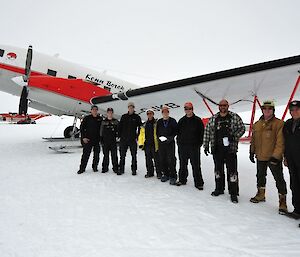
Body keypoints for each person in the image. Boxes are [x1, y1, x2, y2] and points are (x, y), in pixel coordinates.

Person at [203, 99, 245, 203]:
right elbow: (207, 131)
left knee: (232, 172)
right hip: (217, 149)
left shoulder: (234, 117)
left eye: (224, 105)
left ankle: (233, 193)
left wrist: (234, 136)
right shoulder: (214, 119)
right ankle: (219, 189)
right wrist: (206, 145)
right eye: (221, 105)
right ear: (218, 106)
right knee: (218, 170)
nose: (223, 107)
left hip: (230, 149)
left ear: (228, 106)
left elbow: (242, 128)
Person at [249, 100, 287, 214]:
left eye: (269, 108)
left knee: (279, 179)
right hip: (260, 156)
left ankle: (282, 200)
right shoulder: (257, 124)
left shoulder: (279, 124)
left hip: (273, 158)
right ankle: (261, 194)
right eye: (264, 108)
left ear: (273, 110)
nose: (267, 110)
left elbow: (281, 142)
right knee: (260, 176)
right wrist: (252, 151)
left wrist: (276, 156)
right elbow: (254, 139)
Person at [176, 102, 205, 190]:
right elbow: (178, 133)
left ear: (192, 109)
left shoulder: (198, 120)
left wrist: (198, 144)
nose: (187, 110)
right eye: (186, 108)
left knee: (196, 165)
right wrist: (179, 143)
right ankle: (182, 179)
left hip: (194, 147)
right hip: (183, 147)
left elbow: (201, 134)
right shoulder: (181, 120)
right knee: (183, 164)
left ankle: (199, 183)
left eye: (189, 108)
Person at [283, 100, 300, 221]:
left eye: (297, 109)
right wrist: (285, 157)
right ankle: (297, 210)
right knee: (294, 184)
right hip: (292, 159)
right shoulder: (288, 124)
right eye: (292, 110)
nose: (294, 112)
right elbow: (286, 142)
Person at [118, 102, 142, 175]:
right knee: (122, 155)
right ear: (128, 108)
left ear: (134, 108)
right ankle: (121, 169)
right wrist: (119, 136)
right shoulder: (124, 116)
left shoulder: (137, 117)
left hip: (132, 139)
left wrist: (138, 137)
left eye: (132, 107)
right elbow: (120, 127)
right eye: (129, 107)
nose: (131, 108)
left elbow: (140, 128)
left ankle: (134, 169)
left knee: (134, 155)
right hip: (124, 139)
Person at [78, 105, 103, 174]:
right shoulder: (87, 118)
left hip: (97, 140)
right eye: (93, 109)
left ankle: (95, 167)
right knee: (85, 155)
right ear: (91, 110)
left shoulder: (100, 119)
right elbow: (82, 128)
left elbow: (102, 130)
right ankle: (82, 168)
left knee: (96, 155)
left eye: (96, 110)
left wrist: (102, 139)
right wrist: (83, 137)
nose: (95, 111)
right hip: (88, 139)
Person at [156, 105, 178, 185]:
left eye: (166, 112)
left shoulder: (172, 121)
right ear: (162, 113)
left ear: (168, 112)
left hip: (170, 143)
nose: (165, 113)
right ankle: (165, 174)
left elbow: (176, 131)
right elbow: (157, 132)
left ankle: (173, 175)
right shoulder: (159, 121)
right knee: (162, 159)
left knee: (171, 159)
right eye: (164, 112)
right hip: (161, 143)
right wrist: (159, 138)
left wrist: (169, 138)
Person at [138, 109, 161, 179]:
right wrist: (140, 143)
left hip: (154, 144)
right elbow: (141, 135)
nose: (149, 115)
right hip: (147, 144)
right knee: (148, 160)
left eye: (151, 113)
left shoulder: (156, 123)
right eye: (148, 114)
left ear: (153, 114)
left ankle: (159, 173)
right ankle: (150, 172)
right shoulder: (144, 124)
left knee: (157, 159)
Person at [100, 108, 119, 173]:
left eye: (111, 112)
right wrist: (101, 139)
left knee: (114, 155)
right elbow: (101, 131)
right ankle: (105, 168)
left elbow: (119, 130)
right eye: (109, 112)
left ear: (112, 113)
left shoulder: (116, 121)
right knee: (106, 155)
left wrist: (118, 136)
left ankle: (115, 168)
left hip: (113, 141)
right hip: (105, 141)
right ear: (107, 113)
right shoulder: (103, 122)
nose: (110, 113)